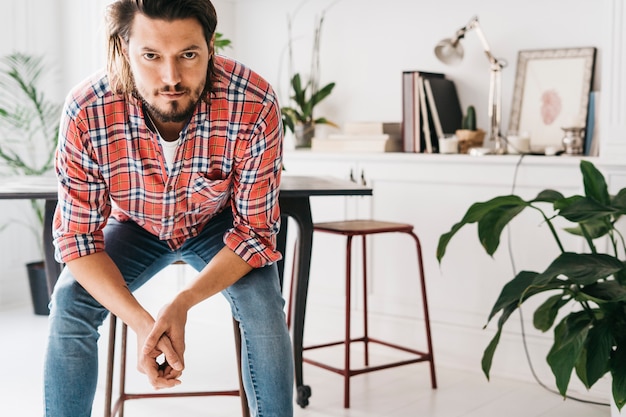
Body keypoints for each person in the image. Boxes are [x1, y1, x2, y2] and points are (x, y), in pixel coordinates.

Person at [43, 0, 293, 415]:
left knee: (264, 309)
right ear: (124, 49)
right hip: (135, 227)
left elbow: (254, 233)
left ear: (211, 45)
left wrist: (183, 303)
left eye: (188, 55)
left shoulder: (254, 103)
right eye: (151, 56)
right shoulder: (87, 110)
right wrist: (146, 324)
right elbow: (77, 240)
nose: (171, 77)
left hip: (219, 227)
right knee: (70, 303)